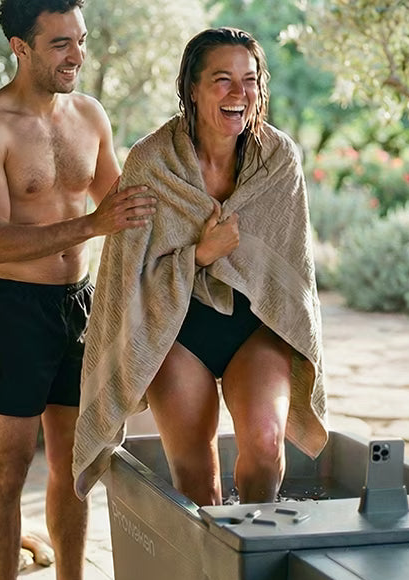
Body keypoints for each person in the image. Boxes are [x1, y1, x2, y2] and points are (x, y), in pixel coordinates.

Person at [71, 27, 329, 508]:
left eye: (249, 80)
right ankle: (213, 578)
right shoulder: (152, 162)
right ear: (192, 87)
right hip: (178, 327)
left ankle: (254, 562)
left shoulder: (277, 160)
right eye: (223, 80)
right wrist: (200, 255)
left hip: (256, 325)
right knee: (195, 475)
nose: (240, 93)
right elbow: (128, 275)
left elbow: (290, 273)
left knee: (267, 445)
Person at [0, 1, 156, 580]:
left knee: (75, 467)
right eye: (61, 43)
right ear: (21, 47)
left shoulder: (89, 116)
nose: (77, 55)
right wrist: (93, 226)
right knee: (8, 469)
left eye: (81, 40)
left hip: (80, 306)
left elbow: (124, 206)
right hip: (11, 310)